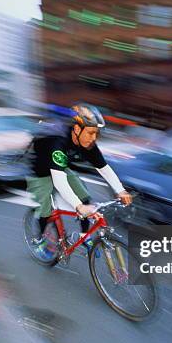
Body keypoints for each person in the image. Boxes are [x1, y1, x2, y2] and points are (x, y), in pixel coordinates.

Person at [27, 103, 133, 261]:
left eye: (96, 133)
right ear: (77, 129)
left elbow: (104, 168)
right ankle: (40, 240)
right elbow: (59, 182)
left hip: (61, 168)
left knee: (84, 196)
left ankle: (85, 237)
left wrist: (120, 190)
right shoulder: (57, 143)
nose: (94, 138)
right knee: (46, 210)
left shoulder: (87, 142)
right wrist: (78, 207)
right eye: (91, 133)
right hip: (41, 171)